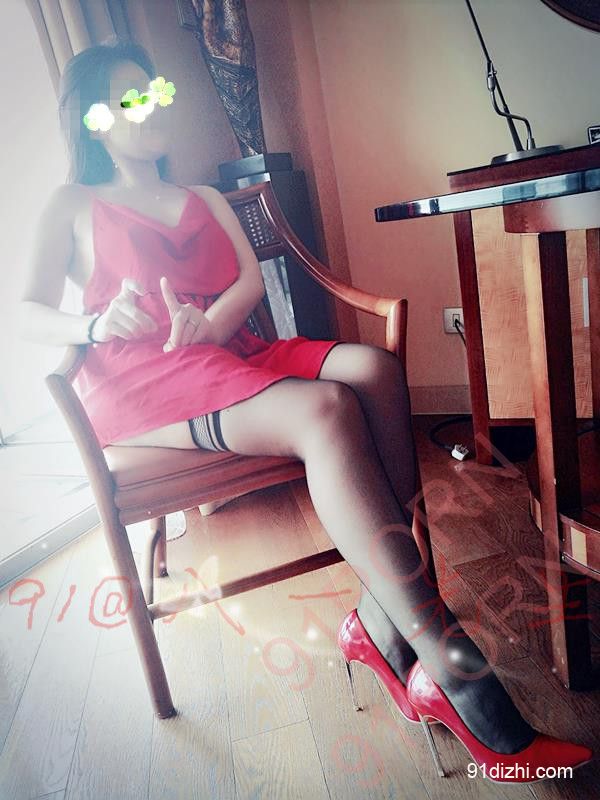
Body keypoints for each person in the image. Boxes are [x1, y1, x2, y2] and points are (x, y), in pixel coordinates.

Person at [18, 41, 592, 783]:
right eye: (130, 98)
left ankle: (383, 618)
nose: (152, 105)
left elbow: (248, 284)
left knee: (374, 369)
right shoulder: (72, 203)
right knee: (325, 409)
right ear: (95, 119)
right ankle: (457, 673)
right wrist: (96, 324)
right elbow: (26, 312)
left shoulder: (204, 196)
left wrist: (207, 324)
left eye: (154, 90)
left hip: (229, 351)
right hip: (144, 381)